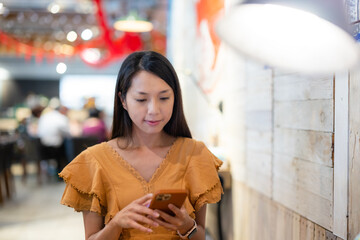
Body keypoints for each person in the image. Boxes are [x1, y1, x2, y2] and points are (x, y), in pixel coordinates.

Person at [59, 51, 223, 240]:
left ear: (175, 98)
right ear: (123, 100)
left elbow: (200, 235)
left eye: (164, 98)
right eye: (141, 99)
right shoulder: (94, 161)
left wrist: (186, 225)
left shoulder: (195, 154)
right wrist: (117, 223)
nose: (154, 110)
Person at [37, 102, 70, 176]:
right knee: (67, 143)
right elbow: (68, 133)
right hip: (56, 149)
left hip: (42, 147)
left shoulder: (44, 116)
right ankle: (65, 172)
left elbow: (39, 132)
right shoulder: (61, 118)